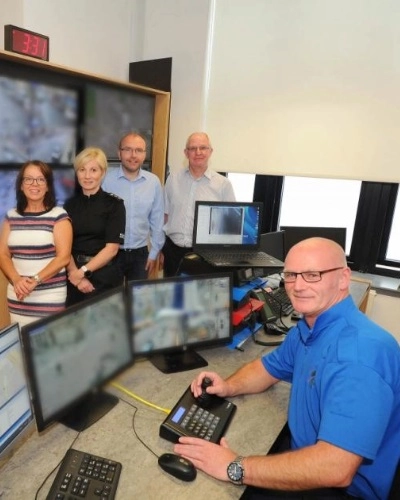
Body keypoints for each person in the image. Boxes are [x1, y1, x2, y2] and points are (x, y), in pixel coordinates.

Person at [174, 238, 400, 500]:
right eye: (291, 275)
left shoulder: (359, 358)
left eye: (313, 275)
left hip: (340, 489)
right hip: (307, 450)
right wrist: (228, 386)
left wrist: (233, 467)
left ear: (343, 278)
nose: (298, 286)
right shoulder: (310, 326)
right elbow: (269, 367)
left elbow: (336, 468)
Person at [0, 160, 72, 327]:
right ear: (21, 185)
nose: (34, 184)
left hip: (49, 297)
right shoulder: (11, 216)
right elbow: (3, 254)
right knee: (21, 347)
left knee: (49, 347)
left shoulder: (59, 215)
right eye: (29, 179)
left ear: (48, 186)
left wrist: (35, 280)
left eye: (40, 179)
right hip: (19, 295)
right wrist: (17, 280)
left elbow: (63, 258)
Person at [162, 132, 236, 277]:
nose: (198, 152)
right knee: (172, 297)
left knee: (199, 297)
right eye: (193, 148)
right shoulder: (173, 180)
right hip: (172, 252)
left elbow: (230, 225)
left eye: (203, 148)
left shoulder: (223, 185)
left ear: (210, 151)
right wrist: (160, 248)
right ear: (186, 153)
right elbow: (165, 215)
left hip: (205, 255)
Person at [64, 147, 126, 306]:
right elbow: (64, 246)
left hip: (104, 278)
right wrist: (75, 275)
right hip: (74, 278)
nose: (87, 176)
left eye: (93, 170)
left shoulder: (115, 205)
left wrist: (83, 272)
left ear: (103, 173)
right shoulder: (69, 205)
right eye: (82, 170)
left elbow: (112, 249)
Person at [102, 132, 164, 280]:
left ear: (144, 154)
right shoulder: (105, 180)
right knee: (110, 300)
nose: (133, 155)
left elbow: (157, 220)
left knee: (137, 301)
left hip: (140, 255)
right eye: (128, 149)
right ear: (119, 153)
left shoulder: (153, 182)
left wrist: (154, 253)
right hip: (110, 252)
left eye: (138, 150)